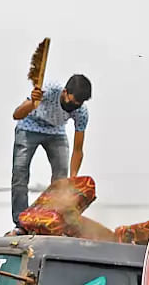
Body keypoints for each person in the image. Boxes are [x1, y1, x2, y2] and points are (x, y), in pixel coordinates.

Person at [9, 74, 92, 235]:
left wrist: (73, 177)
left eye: (78, 104)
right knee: (20, 173)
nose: (74, 106)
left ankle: (54, 219)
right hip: (29, 127)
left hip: (56, 132)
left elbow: (77, 149)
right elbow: (16, 115)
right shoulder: (50, 89)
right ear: (65, 92)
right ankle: (20, 222)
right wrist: (33, 102)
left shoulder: (81, 112)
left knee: (61, 180)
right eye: (73, 101)